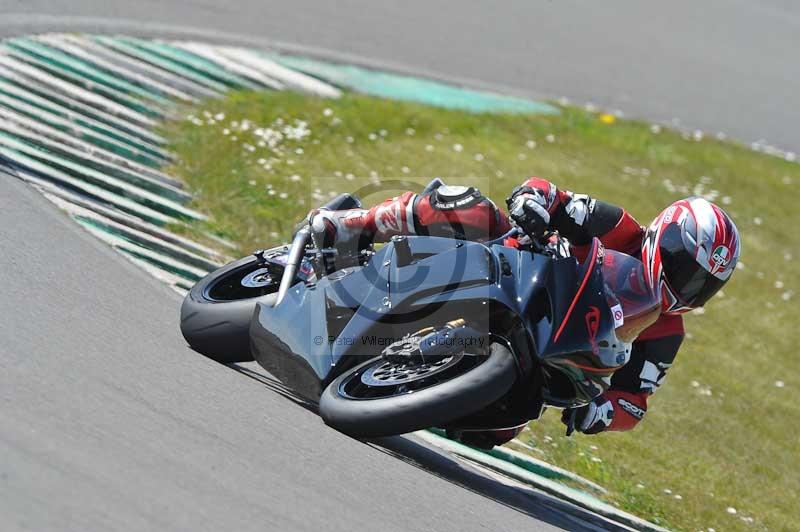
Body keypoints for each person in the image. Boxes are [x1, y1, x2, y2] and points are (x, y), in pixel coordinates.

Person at [305, 177, 740, 445]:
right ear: (664, 238)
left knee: (501, 429)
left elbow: (636, 400)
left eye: (704, 284)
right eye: (686, 269)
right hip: (514, 269)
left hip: (544, 346)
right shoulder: (618, 226)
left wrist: (602, 413)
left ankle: (408, 384)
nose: (688, 286)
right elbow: (552, 194)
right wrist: (532, 202)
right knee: (477, 211)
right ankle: (353, 224)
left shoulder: (666, 332)